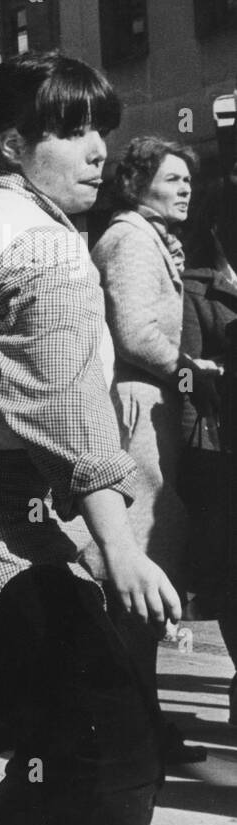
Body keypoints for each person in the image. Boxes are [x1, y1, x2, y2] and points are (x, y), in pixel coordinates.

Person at [0, 50, 182, 825]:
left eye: (100, 126)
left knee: (53, 747)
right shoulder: (46, 248)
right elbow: (61, 409)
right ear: (12, 142)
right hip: (2, 520)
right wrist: (117, 547)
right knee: (120, 753)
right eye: (71, 132)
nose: (99, 149)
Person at [94, 136, 206, 765]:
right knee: (138, 566)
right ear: (136, 183)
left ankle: (140, 717)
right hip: (137, 414)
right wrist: (194, 369)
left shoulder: (149, 237)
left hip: (147, 408)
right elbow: (136, 331)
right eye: (172, 178)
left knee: (146, 567)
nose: (186, 188)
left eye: (189, 178)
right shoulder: (131, 239)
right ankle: (133, 725)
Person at [180, 153, 237, 721]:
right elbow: (178, 371)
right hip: (221, 449)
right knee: (228, 574)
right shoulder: (196, 288)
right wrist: (206, 370)